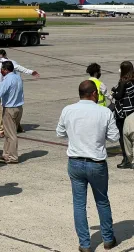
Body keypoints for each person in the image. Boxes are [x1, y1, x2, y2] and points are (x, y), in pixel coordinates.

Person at [56, 80, 119, 252]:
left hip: (75, 162)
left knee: (79, 204)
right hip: (96, 163)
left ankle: (84, 243)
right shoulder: (104, 112)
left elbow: (60, 133)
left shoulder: (68, 110)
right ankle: (108, 239)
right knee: (102, 201)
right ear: (93, 94)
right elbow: (114, 137)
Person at [0, 61, 24, 163]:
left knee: (11, 134)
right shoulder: (18, 77)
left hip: (10, 109)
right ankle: (6, 154)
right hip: (18, 108)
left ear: (6, 70)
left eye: (2, 69)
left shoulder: (7, 80)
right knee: (8, 132)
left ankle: (13, 157)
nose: (1, 70)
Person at [0, 49, 40, 133]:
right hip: (0, 88)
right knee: (7, 112)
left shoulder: (9, 63)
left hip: (8, 90)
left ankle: (5, 129)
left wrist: (30, 72)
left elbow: (19, 68)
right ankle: (9, 128)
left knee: (8, 112)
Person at [111, 61, 134, 169]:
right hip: (132, 110)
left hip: (123, 112)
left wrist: (113, 93)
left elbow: (119, 96)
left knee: (122, 136)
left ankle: (126, 159)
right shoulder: (132, 80)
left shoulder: (124, 81)